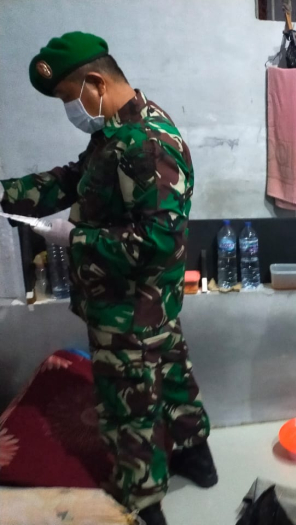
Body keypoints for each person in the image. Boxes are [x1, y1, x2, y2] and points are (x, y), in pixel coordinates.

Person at [0, 32, 216, 525]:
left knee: (127, 406)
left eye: (68, 96)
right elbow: (73, 180)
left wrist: (73, 238)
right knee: (173, 376)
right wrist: (6, 193)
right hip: (148, 301)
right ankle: (196, 458)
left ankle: (143, 502)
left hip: (128, 306)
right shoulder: (116, 133)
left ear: (96, 83)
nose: (70, 109)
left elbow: (157, 241)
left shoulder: (146, 142)